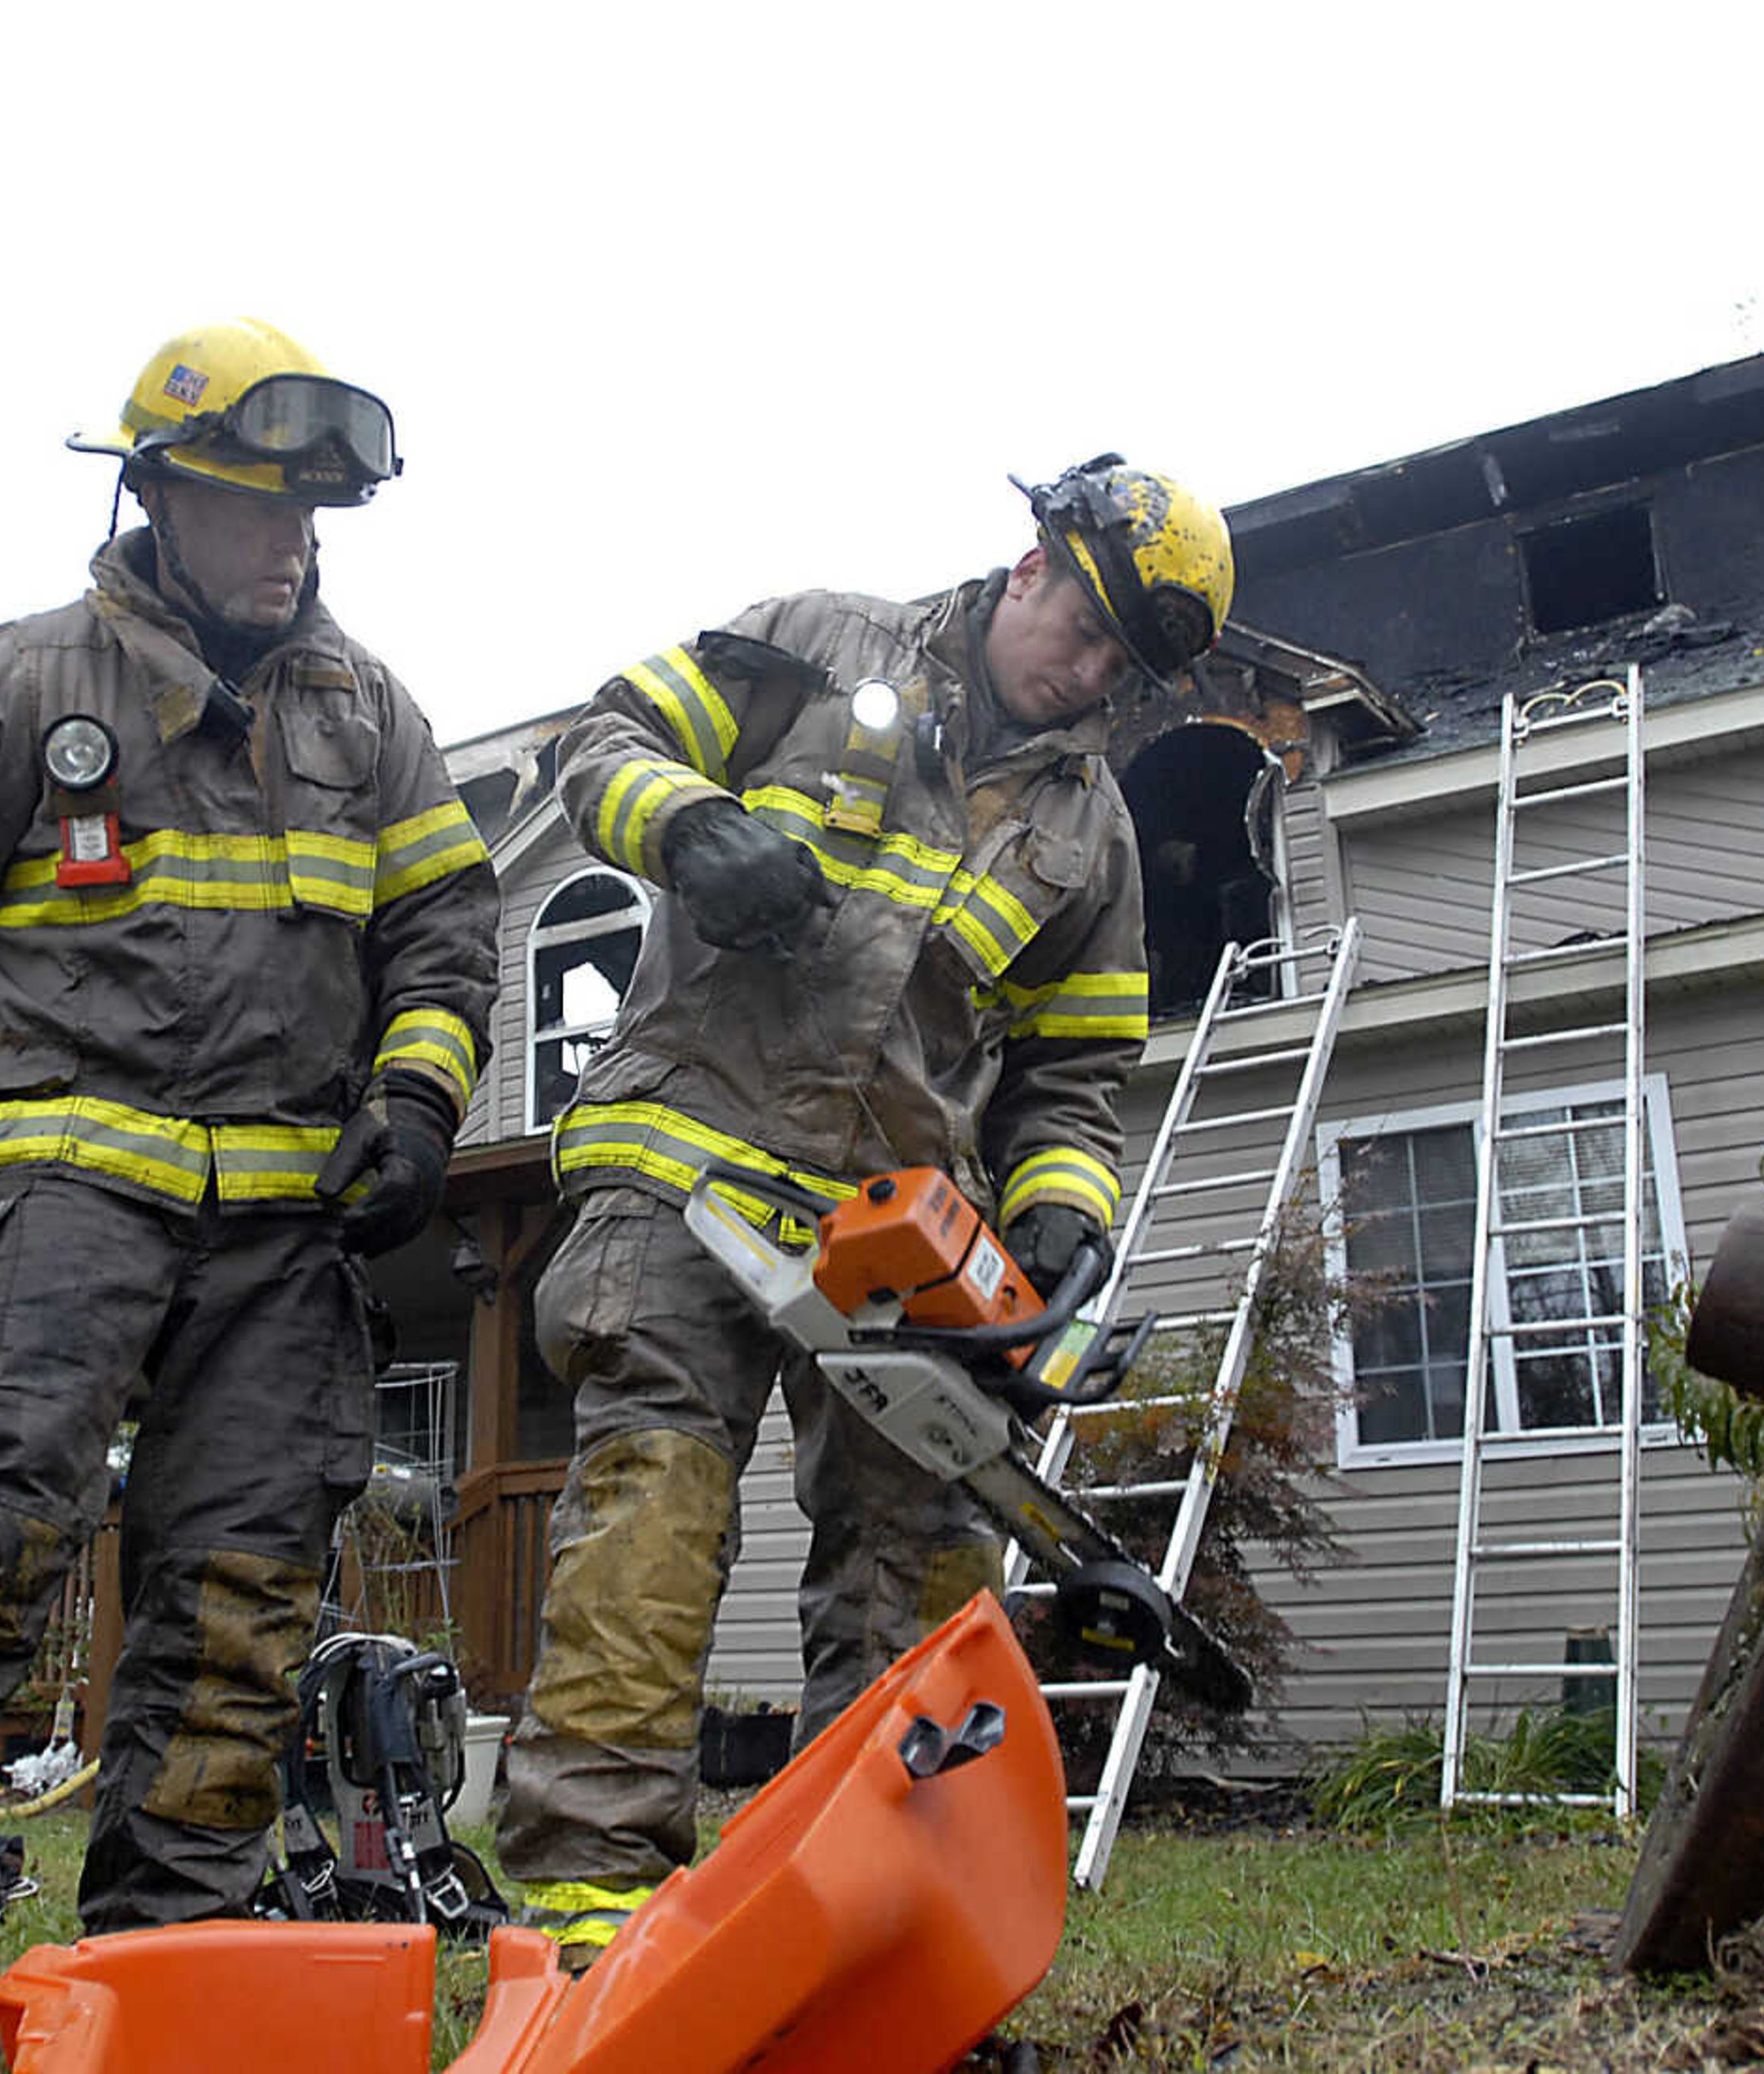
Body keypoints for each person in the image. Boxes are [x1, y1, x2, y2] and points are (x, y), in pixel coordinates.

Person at [0, 318, 499, 2071]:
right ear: (161, 493)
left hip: (289, 1231)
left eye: (315, 513)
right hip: (62, 1190)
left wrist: (419, 1096)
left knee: (239, 1588)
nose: (295, 543)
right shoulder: (30, 679)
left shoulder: (376, 719)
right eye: (259, 505)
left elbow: (447, 938)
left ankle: (173, 1955)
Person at [495, 457, 1236, 1958]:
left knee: (920, 1553)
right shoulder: (819, 644)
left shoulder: (1090, 842)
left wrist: (1054, 1225)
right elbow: (603, 740)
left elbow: (1075, 1079)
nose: (1088, 676)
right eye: (1085, 629)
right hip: (689, 1155)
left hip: (901, 1228)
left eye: (1120, 667)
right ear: (1032, 562)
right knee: (657, 1499)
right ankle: (593, 1909)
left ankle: (867, 1925)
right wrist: (690, 827)